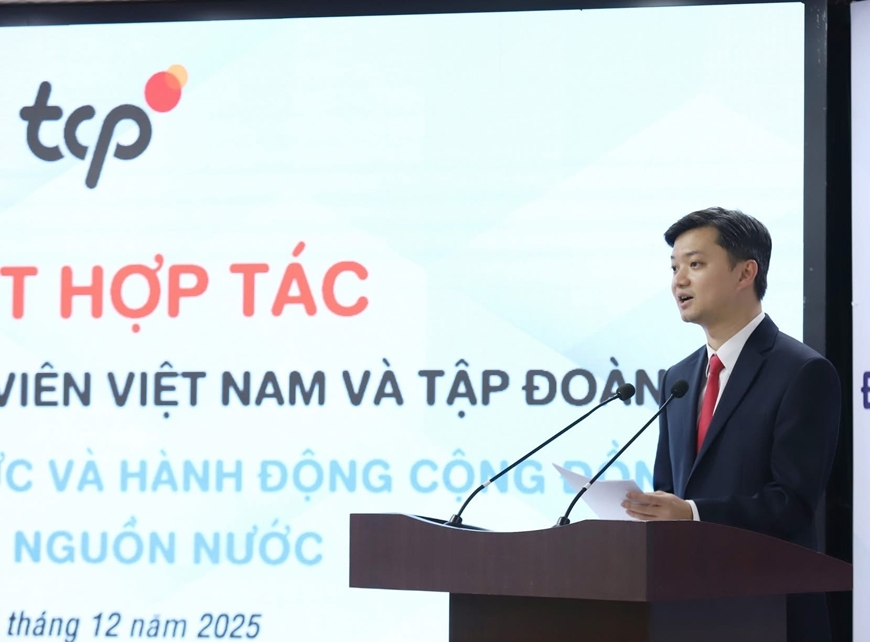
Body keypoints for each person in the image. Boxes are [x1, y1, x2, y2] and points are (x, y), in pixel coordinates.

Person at [621, 207, 840, 642]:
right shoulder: (679, 378)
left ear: (745, 273)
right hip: (686, 613)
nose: (679, 281)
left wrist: (692, 513)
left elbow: (791, 503)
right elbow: (670, 488)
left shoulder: (802, 371)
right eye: (674, 268)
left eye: (695, 264)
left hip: (771, 612)